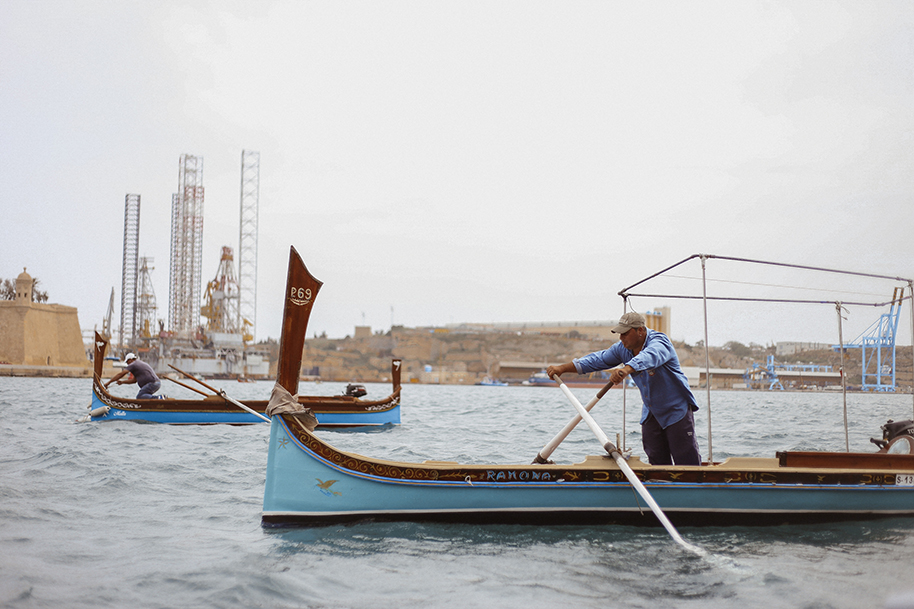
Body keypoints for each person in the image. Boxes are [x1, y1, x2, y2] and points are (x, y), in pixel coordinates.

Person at [546, 311, 701, 466]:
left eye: (625, 334)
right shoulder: (623, 348)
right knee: (656, 460)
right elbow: (598, 359)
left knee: (686, 460)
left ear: (640, 330)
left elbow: (650, 356)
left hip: (676, 411)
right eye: (620, 334)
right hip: (651, 413)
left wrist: (626, 369)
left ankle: (695, 488)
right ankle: (660, 486)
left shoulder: (660, 341)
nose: (621, 338)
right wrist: (562, 368)